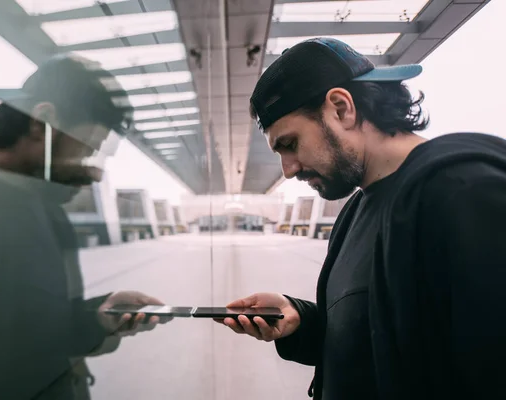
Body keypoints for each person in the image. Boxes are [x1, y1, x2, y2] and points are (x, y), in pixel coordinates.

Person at [217, 37, 506, 400]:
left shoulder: (464, 191)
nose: (288, 170)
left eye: (289, 144)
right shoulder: (355, 212)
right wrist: (301, 320)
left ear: (341, 108)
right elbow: (375, 345)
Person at [0, 55, 169, 399]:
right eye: (87, 150)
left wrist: (98, 315)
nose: (96, 172)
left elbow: (37, 325)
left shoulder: (46, 210)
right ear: (42, 121)